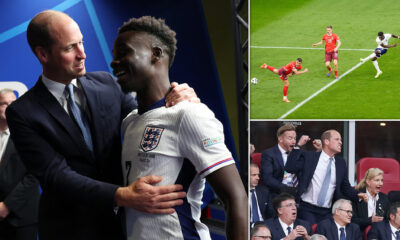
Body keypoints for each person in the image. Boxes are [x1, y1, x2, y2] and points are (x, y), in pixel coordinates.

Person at [6, 10, 198, 240]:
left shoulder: (107, 83)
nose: (82, 54)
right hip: (69, 230)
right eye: (70, 48)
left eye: (81, 42)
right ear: (43, 54)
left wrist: (176, 97)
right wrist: (123, 194)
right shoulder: (22, 112)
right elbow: (55, 175)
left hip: (124, 224)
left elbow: (145, 118)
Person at [112, 16, 247, 239]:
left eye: (124, 53)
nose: (114, 62)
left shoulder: (189, 114)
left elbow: (236, 197)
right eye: (115, 56)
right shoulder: (130, 122)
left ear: (156, 53)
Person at [285, 129, 368, 225]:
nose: (341, 142)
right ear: (326, 141)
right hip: (307, 208)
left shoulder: (340, 163)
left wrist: (358, 195)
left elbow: (345, 187)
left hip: (327, 212)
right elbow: (289, 168)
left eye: (340, 140)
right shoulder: (310, 157)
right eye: (337, 139)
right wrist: (298, 146)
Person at [0, 89, 40, 240]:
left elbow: (34, 174)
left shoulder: (30, 134)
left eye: (13, 103)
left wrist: (7, 205)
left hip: (23, 218)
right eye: (4, 104)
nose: (9, 107)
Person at [260, 123, 322, 199]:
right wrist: (287, 189)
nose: (293, 141)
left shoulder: (298, 153)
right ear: (280, 139)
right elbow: (267, 178)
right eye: (290, 138)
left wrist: (319, 150)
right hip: (278, 194)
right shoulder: (269, 154)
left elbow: (311, 166)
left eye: (295, 138)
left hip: (299, 195)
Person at [352, 168, 389, 232]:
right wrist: (370, 220)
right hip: (360, 233)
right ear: (368, 182)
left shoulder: (384, 198)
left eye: (382, 180)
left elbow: (388, 219)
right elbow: (352, 220)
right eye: (377, 180)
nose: (381, 184)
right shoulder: (358, 196)